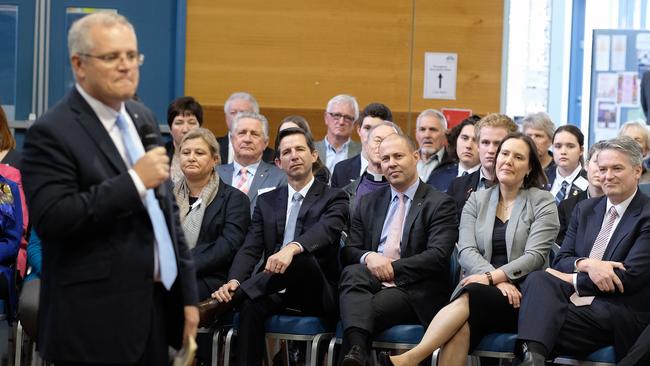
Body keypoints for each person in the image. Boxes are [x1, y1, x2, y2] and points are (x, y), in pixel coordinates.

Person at [21, 13, 198, 364]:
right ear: (79, 64)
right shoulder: (51, 131)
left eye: (132, 56)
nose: (126, 66)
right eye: (112, 57)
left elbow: (166, 215)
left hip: (154, 312)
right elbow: (55, 217)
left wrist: (188, 297)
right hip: (92, 320)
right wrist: (133, 182)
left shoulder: (141, 116)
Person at [383, 133, 558, 366]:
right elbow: (466, 251)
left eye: (518, 157)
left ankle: (412, 358)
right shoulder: (476, 200)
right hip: (482, 290)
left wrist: (491, 277)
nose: (508, 161)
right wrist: (494, 281)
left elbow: (534, 257)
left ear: (529, 168)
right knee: (460, 329)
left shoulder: (543, 201)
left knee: (472, 293)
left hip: (522, 297)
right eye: (504, 154)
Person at [209, 127, 349, 366]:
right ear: (278, 162)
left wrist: (292, 248)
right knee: (250, 306)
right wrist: (234, 280)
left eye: (300, 149)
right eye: (287, 152)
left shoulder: (334, 197)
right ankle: (239, 295)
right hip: (272, 288)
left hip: (314, 291)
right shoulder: (267, 201)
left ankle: (230, 299)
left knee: (302, 258)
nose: (293, 155)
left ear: (314, 155)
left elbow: (325, 232)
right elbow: (251, 248)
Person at [516, 136, 650, 365]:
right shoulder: (585, 209)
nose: (607, 176)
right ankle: (534, 359)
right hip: (574, 301)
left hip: (616, 308)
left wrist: (573, 279)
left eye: (617, 168)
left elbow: (629, 277)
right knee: (539, 279)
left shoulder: (646, 214)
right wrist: (587, 264)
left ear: (637, 171)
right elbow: (561, 260)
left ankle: (532, 352)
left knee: (534, 316)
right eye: (603, 168)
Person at [337, 134, 458, 366]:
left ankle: (356, 352)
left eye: (398, 156)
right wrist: (369, 256)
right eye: (385, 159)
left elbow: (438, 256)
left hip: (414, 289)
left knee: (356, 313)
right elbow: (350, 250)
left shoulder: (439, 202)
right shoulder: (369, 201)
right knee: (352, 273)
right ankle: (357, 354)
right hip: (369, 281)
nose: (391, 163)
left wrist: (391, 268)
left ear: (415, 157)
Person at [174, 128, 250, 301]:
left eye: (199, 153)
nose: (191, 157)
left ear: (215, 159)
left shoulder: (235, 199)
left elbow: (226, 248)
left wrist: (183, 266)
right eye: (186, 152)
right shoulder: (166, 196)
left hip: (209, 278)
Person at [446, 114, 518, 217]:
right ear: (478, 146)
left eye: (497, 143)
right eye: (485, 142)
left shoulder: (526, 189)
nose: (491, 150)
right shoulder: (457, 186)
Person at [216, 112, 287, 213]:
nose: (247, 139)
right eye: (242, 133)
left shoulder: (280, 178)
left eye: (254, 134)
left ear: (265, 143)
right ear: (231, 139)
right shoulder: (215, 174)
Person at [343, 121, 402, 214]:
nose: (382, 146)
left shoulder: (409, 192)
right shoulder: (345, 193)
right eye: (378, 140)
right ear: (366, 146)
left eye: (388, 141)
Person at [331, 102, 393, 188]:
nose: (371, 134)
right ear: (359, 130)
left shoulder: (395, 170)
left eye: (377, 129)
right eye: (367, 128)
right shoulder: (341, 170)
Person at [556, 142, 605, 244]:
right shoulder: (566, 206)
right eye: (597, 162)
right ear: (587, 165)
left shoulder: (619, 206)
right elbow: (560, 248)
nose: (601, 169)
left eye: (607, 165)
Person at [427, 115, 481, 191]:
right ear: (456, 140)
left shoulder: (490, 180)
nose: (468, 146)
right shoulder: (438, 176)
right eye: (464, 138)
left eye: (475, 140)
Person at [218, 92, 275, 164]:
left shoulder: (271, 156)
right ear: (226, 117)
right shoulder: (213, 148)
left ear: (256, 117)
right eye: (233, 112)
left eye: (243, 113)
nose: (237, 117)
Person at [314, 94, 362, 173]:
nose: (341, 122)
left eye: (347, 118)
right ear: (326, 117)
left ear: (354, 123)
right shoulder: (310, 149)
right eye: (337, 115)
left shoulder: (363, 152)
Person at [278, 115, 330, 183]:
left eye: (294, 132)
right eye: (284, 134)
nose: (289, 137)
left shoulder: (319, 172)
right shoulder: (272, 169)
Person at [545, 125, 587, 205]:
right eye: (558, 146)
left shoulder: (589, 182)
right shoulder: (541, 178)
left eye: (570, 146)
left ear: (581, 150)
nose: (563, 151)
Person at [165, 96, 203, 184]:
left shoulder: (212, 157)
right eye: (179, 122)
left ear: (200, 127)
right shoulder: (161, 155)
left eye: (191, 122)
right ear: (170, 129)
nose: (185, 129)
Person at [415, 109, 454, 183]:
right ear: (416, 135)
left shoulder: (454, 164)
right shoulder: (408, 161)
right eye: (422, 129)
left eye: (433, 130)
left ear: (444, 134)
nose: (427, 135)